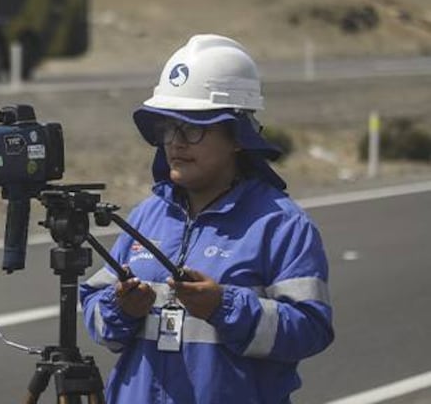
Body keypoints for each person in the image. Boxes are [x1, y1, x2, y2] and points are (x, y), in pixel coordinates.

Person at [79, 34, 334, 403]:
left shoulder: (281, 225)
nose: (175, 143)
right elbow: (99, 319)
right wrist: (120, 309)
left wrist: (223, 307)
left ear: (237, 137)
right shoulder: (147, 215)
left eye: (193, 128)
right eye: (167, 128)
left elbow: (310, 330)